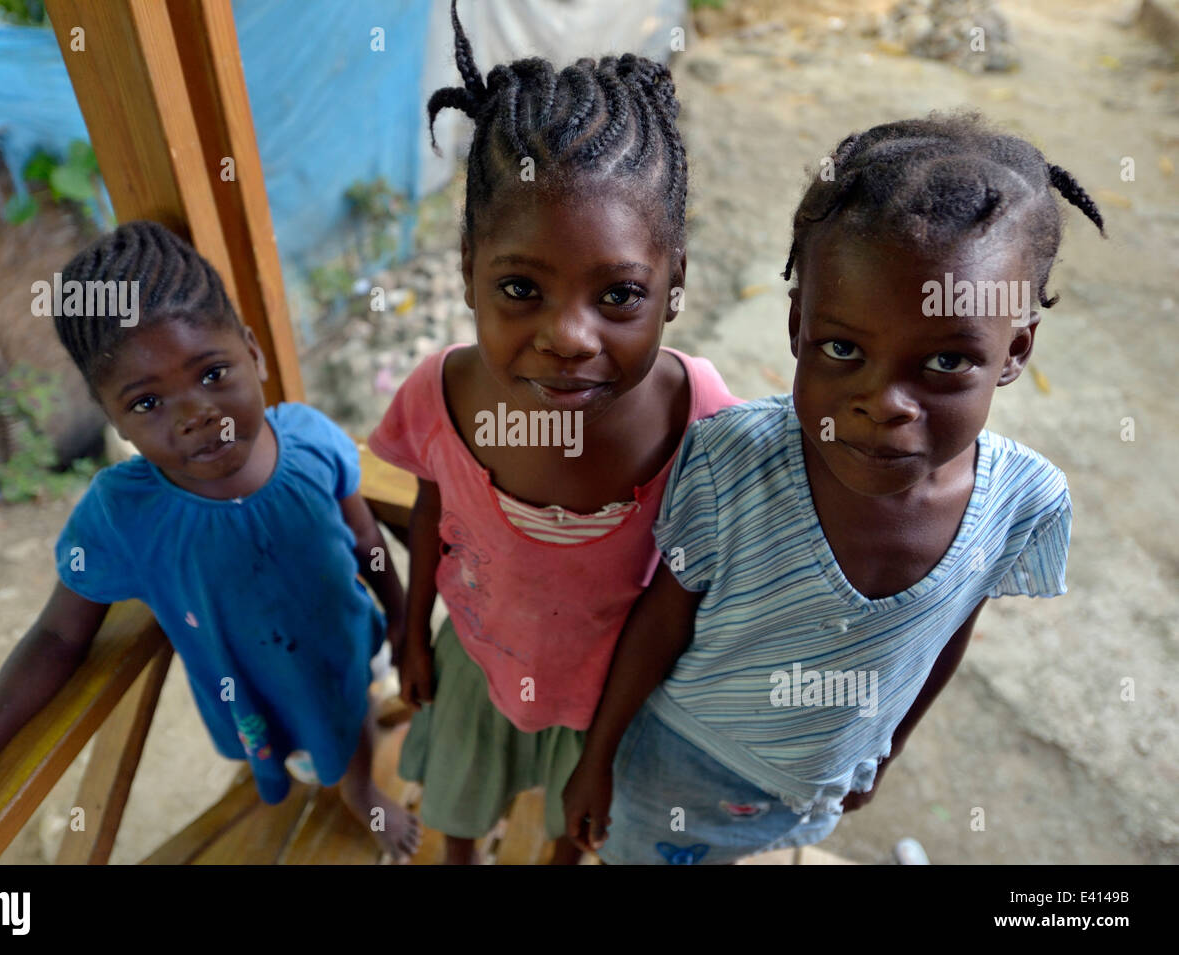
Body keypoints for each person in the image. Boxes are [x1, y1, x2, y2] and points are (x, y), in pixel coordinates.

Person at [564, 113, 1105, 864]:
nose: (885, 403)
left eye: (946, 363)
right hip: (677, 764)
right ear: (797, 326)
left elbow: (948, 634)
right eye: (843, 348)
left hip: (818, 778)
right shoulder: (733, 464)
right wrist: (598, 757)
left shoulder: (1025, 504)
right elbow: (659, 623)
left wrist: (889, 744)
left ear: (1014, 352)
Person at [0, 220, 421, 863]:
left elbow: (365, 538)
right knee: (278, 740)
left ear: (255, 352)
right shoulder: (120, 517)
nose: (194, 413)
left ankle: (360, 788)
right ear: (112, 419)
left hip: (343, 643)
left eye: (214, 372)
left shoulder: (310, 440)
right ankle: (286, 775)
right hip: (247, 685)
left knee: (351, 711)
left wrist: (404, 621)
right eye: (145, 403)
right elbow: (57, 638)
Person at [368, 0, 739, 864]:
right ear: (468, 271)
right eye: (522, 289)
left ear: (673, 283)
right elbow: (432, 513)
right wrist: (414, 630)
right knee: (458, 805)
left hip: (611, 692)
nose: (570, 337)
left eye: (617, 295)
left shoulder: (701, 416)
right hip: (476, 660)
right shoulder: (443, 395)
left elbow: (707, 577)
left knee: (577, 822)